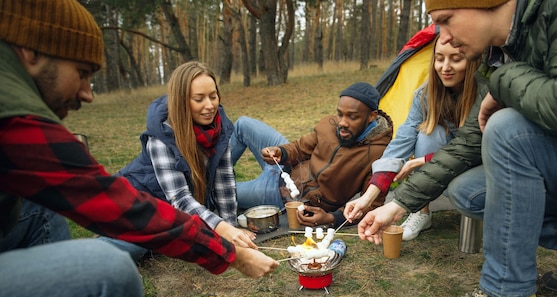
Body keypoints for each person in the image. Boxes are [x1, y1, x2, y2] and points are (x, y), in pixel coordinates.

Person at [0, 1, 278, 297]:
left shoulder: (223, 127)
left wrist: (229, 221)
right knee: (108, 271)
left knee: (41, 213)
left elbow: (219, 188)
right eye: (83, 73)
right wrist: (230, 252)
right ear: (33, 53)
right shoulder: (13, 115)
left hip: (169, 215)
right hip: (151, 208)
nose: (88, 94)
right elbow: (124, 206)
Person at [358, 0, 557, 297]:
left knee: (506, 129)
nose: (447, 38)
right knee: (468, 190)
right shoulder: (503, 52)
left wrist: (502, 82)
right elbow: (467, 143)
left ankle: (508, 296)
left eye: (447, 20)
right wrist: (396, 205)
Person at [99, 61, 256, 263]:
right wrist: (222, 229)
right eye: (199, 99)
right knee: (138, 248)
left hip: (170, 214)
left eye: (213, 96)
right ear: (182, 101)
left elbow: (224, 181)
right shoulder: (161, 136)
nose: (209, 106)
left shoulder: (221, 126)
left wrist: (231, 229)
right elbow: (181, 199)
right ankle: (93, 249)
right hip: (136, 204)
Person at [344, 35, 480, 241]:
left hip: (477, 161)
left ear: (471, 60)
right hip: (443, 159)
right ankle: (421, 212)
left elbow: (477, 148)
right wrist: (368, 197)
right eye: (439, 58)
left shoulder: (484, 94)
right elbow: (401, 143)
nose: (445, 67)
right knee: (427, 133)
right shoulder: (424, 95)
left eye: (455, 59)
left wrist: (422, 161)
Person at [230, 82, 393, 229]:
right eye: (340, 114)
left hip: (283, 194)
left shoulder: (380, 154)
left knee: (219, 191)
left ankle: (210, 188)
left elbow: (372, 205)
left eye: (352, 117)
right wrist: (281, 152)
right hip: (288, 166)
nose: (342, 122)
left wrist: (331, 218)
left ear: (372, 116)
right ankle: (212, 174)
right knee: (243, 124)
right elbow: (300, 148)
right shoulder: (329, 124)